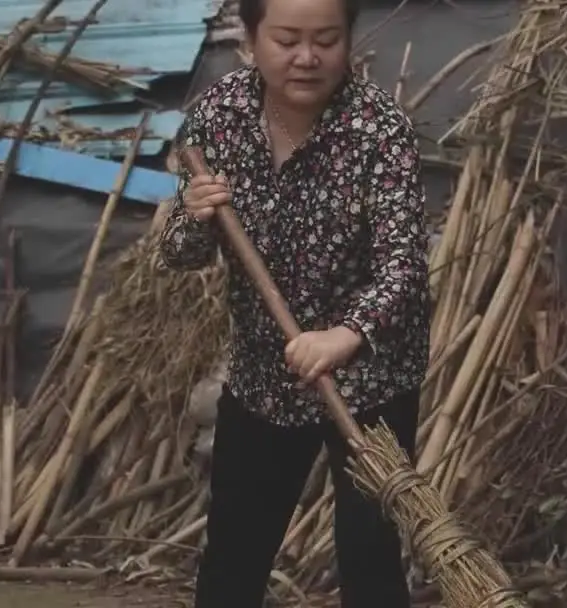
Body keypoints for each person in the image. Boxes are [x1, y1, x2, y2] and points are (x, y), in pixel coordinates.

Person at [158, 0, 429, 604]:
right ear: (251, 42)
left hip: (368, 382)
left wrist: (346, 334)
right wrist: (194, 217)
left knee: (370, 557)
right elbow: (179, 253)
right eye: (287, 40)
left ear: (347, 42)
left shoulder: (378, 131)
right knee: (233, 552)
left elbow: (404, 264)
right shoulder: (220, 115)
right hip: (265, 375)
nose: (307, 57)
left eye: (326, 40)